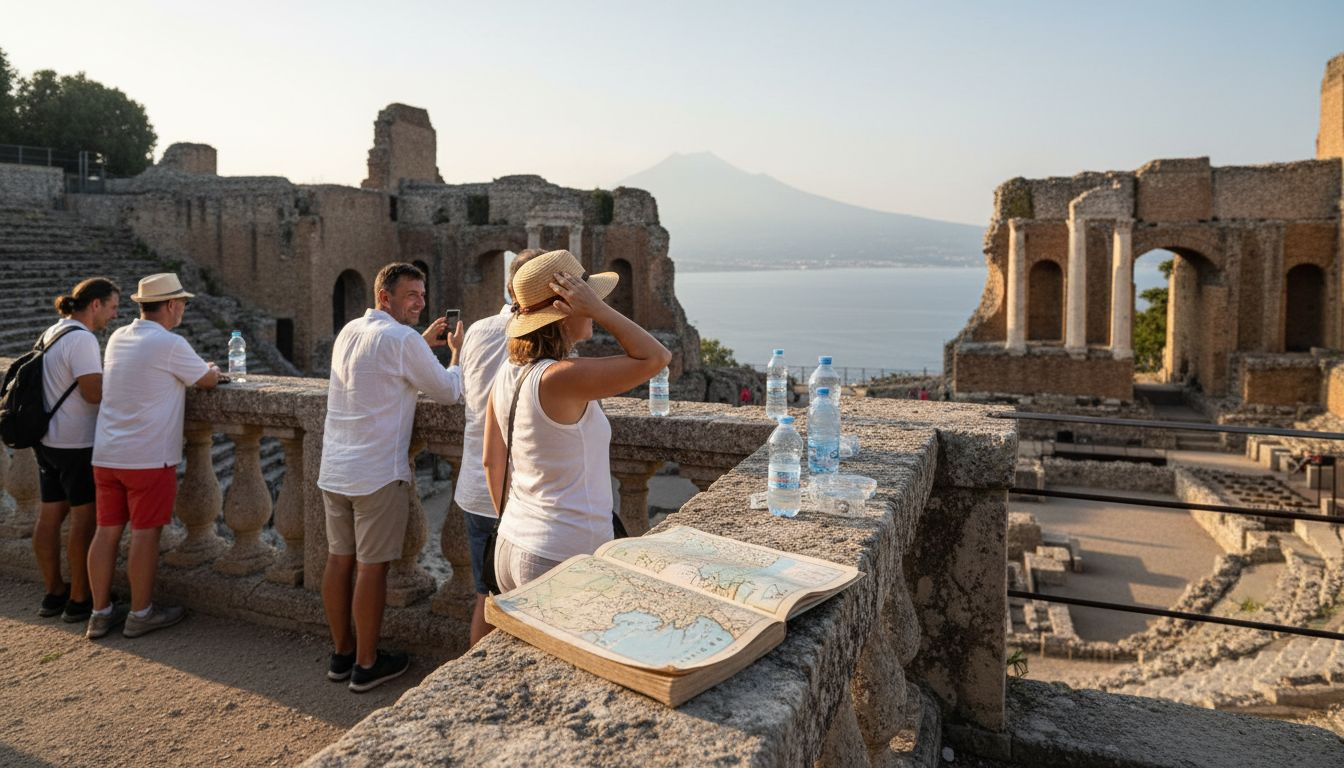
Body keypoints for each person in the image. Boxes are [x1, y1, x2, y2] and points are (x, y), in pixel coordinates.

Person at [484, 249, 671, 592]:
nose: (594, 307)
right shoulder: (560, 378)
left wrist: (523, 524)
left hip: (514, 541)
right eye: (587, 299)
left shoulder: (507, 373)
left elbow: (490, 461)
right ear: (565, 309)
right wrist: (599, 310)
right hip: (558, 553)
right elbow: (657, 356)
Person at [318, 262, 464, 693]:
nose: (420, 302)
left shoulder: (350, 331)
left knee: (338, 561)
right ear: (386, 298)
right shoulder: (401, 340)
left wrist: (418, 344)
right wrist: (453, 352)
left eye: (422, 294)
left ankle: (341, 654)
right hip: (377, 473)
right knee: (372, 569)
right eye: (411, 296)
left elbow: (379, 366)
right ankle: (366, 664)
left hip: (336, 468)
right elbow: (449, 390)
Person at [86, 273, 220, 640]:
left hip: (107, 453)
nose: (183, 310)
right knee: (145, 535)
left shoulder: (117, 336)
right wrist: (212, 369)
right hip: (147, 458)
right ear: (172, 306)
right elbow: (206, 381)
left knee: (106, 532)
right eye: (183, 304)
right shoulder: (170, 343)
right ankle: (141, 613)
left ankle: (99, 613)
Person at [454, 249, 543, 646]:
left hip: (474, 487)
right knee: (532, 608)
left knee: (486, 600)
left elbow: (466, 393)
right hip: (520, 492)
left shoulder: (476, 330)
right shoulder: (539, 335)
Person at [33, 278, 120, 623]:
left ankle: (54, 592)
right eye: (112, 307)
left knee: (49, 517)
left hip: (48, 441)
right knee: (84, 521)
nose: (114, 315)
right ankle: (80, 598)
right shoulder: (82, 339)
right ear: (95, 304)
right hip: (76, 443)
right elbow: (92, 393)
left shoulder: (52, 331)